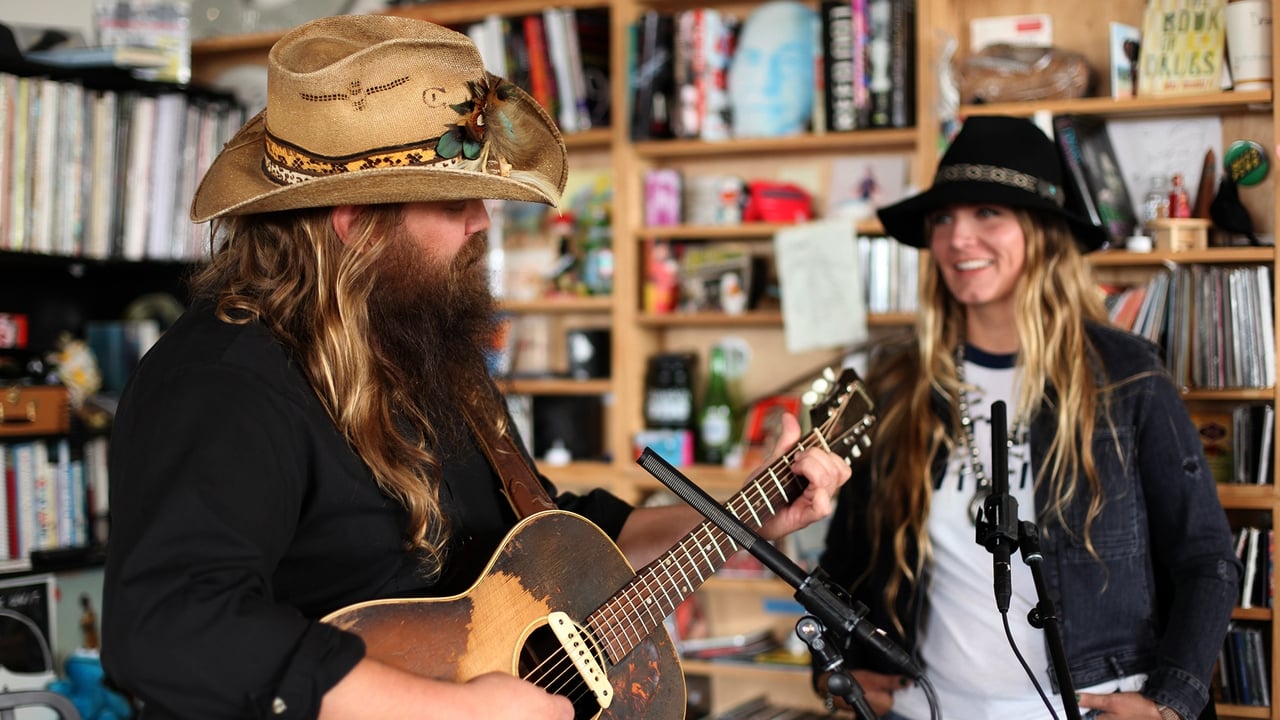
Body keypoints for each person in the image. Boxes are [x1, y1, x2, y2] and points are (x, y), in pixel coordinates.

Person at [101, 15, 852, 720]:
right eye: (457, 200)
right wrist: (453, 709)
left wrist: (740, 520)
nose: (482, 222)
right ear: (356, 222)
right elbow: (168, 624)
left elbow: (547, 550)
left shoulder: (421, 343)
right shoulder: (225, 380)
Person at [814, 115, 1240, 720]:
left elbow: (1205, 558)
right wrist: (830, 666)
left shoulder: (1126, 376)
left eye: (988, 212)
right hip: (927, 709)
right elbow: (844, 557)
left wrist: (1171, 702)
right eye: (943, 218)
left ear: (1041, 232)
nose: (959, 238)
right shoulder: (898, 383)